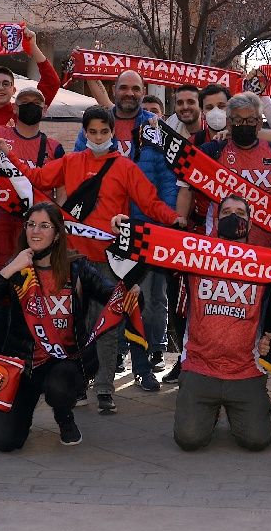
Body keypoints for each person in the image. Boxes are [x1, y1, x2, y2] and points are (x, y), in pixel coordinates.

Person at [21, 106, 184, 413]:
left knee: (108, 324)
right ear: (84, 133)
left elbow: (149, 202)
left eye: (104, 132)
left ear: (113, 133)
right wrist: (8, 157)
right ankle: (79, 384)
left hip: (110, 261)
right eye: (92, 132)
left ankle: (105, 388)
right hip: (70, 259)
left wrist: (175, 219)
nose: (98, 137)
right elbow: (37, 177)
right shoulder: (70, 161)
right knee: (73, 324)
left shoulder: (124, 167)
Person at [0, 201, 117, 450]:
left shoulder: (76, 268)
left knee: (58, 387)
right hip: (23, 365)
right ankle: (24, 411)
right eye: (31, 225)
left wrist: (131, 282)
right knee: (6, 442)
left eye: (44, 226)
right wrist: (9, 269)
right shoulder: (18, 269)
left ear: (57, 235)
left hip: (65, 363)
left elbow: (114, 297)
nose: (36, 231)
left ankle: (64, 415)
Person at [153, 196, 271, 451]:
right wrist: (124, 230)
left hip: (246, 370)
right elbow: (154, 248)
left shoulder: (265, 261)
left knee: (257, 441)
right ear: (216, 218)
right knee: (189, 440)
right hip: (201, 367)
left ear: (250, 221)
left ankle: (243, 409)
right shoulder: (195, 255)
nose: (233, 217)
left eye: (240, 213)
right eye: (226, 212)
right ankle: (207, 411)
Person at [80, 71, 181, 386]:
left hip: (145, 227)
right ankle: (100, 370)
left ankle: (143, 366)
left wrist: (168, 220)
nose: (129, 92)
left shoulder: (154, 126)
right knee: (103, 301)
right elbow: (80, 168)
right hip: (103, 230)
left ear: (143, 92)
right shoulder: (97, 121)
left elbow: (166, 174)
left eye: (136, 88)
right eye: (123, 87)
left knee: (146, 302)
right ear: (115, 89)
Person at [176, 93, 271, 244]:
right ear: (229, 123)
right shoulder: (214, 149)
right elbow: (185, 187)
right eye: (238, 120)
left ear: (259, 123)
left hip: (264, 247)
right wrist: (179, 225)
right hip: (219, 246)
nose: (244, 125)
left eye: (250, 120)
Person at [0, 86, 67, 267]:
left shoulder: (54, 147)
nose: (30, 106)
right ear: (15, 108)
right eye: (24, 103)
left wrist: (54, 221)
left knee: (35, 284)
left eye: (36, 103)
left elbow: (63, 192)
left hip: (39, 225)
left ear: (45, 109)